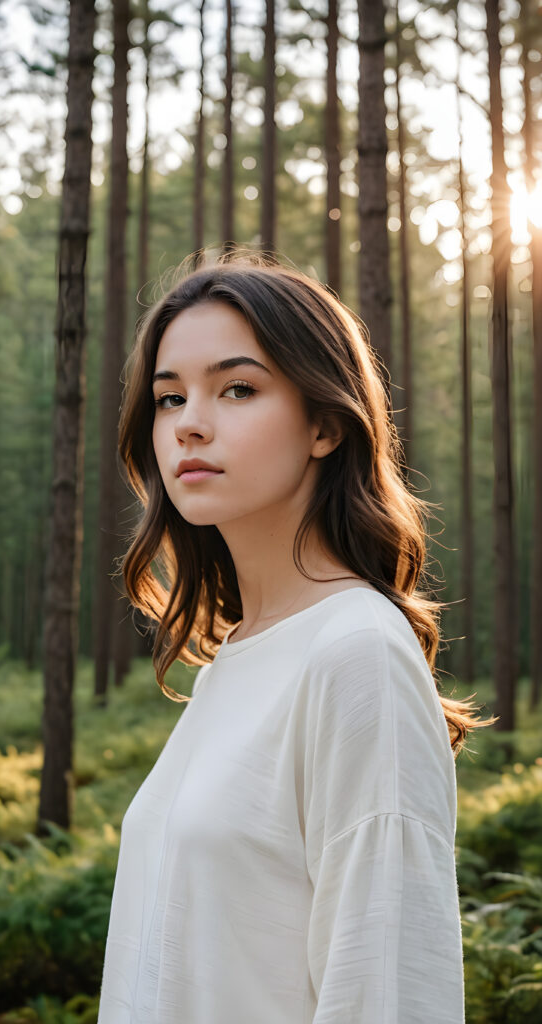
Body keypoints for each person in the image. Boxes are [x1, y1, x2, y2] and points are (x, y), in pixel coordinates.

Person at [98, 253, 483, 1024]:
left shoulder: (357, 653)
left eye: (237, 388)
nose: (190, 423)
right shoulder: (235, 660)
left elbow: (391, 988)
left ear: (325, 423)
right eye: (169, 398)